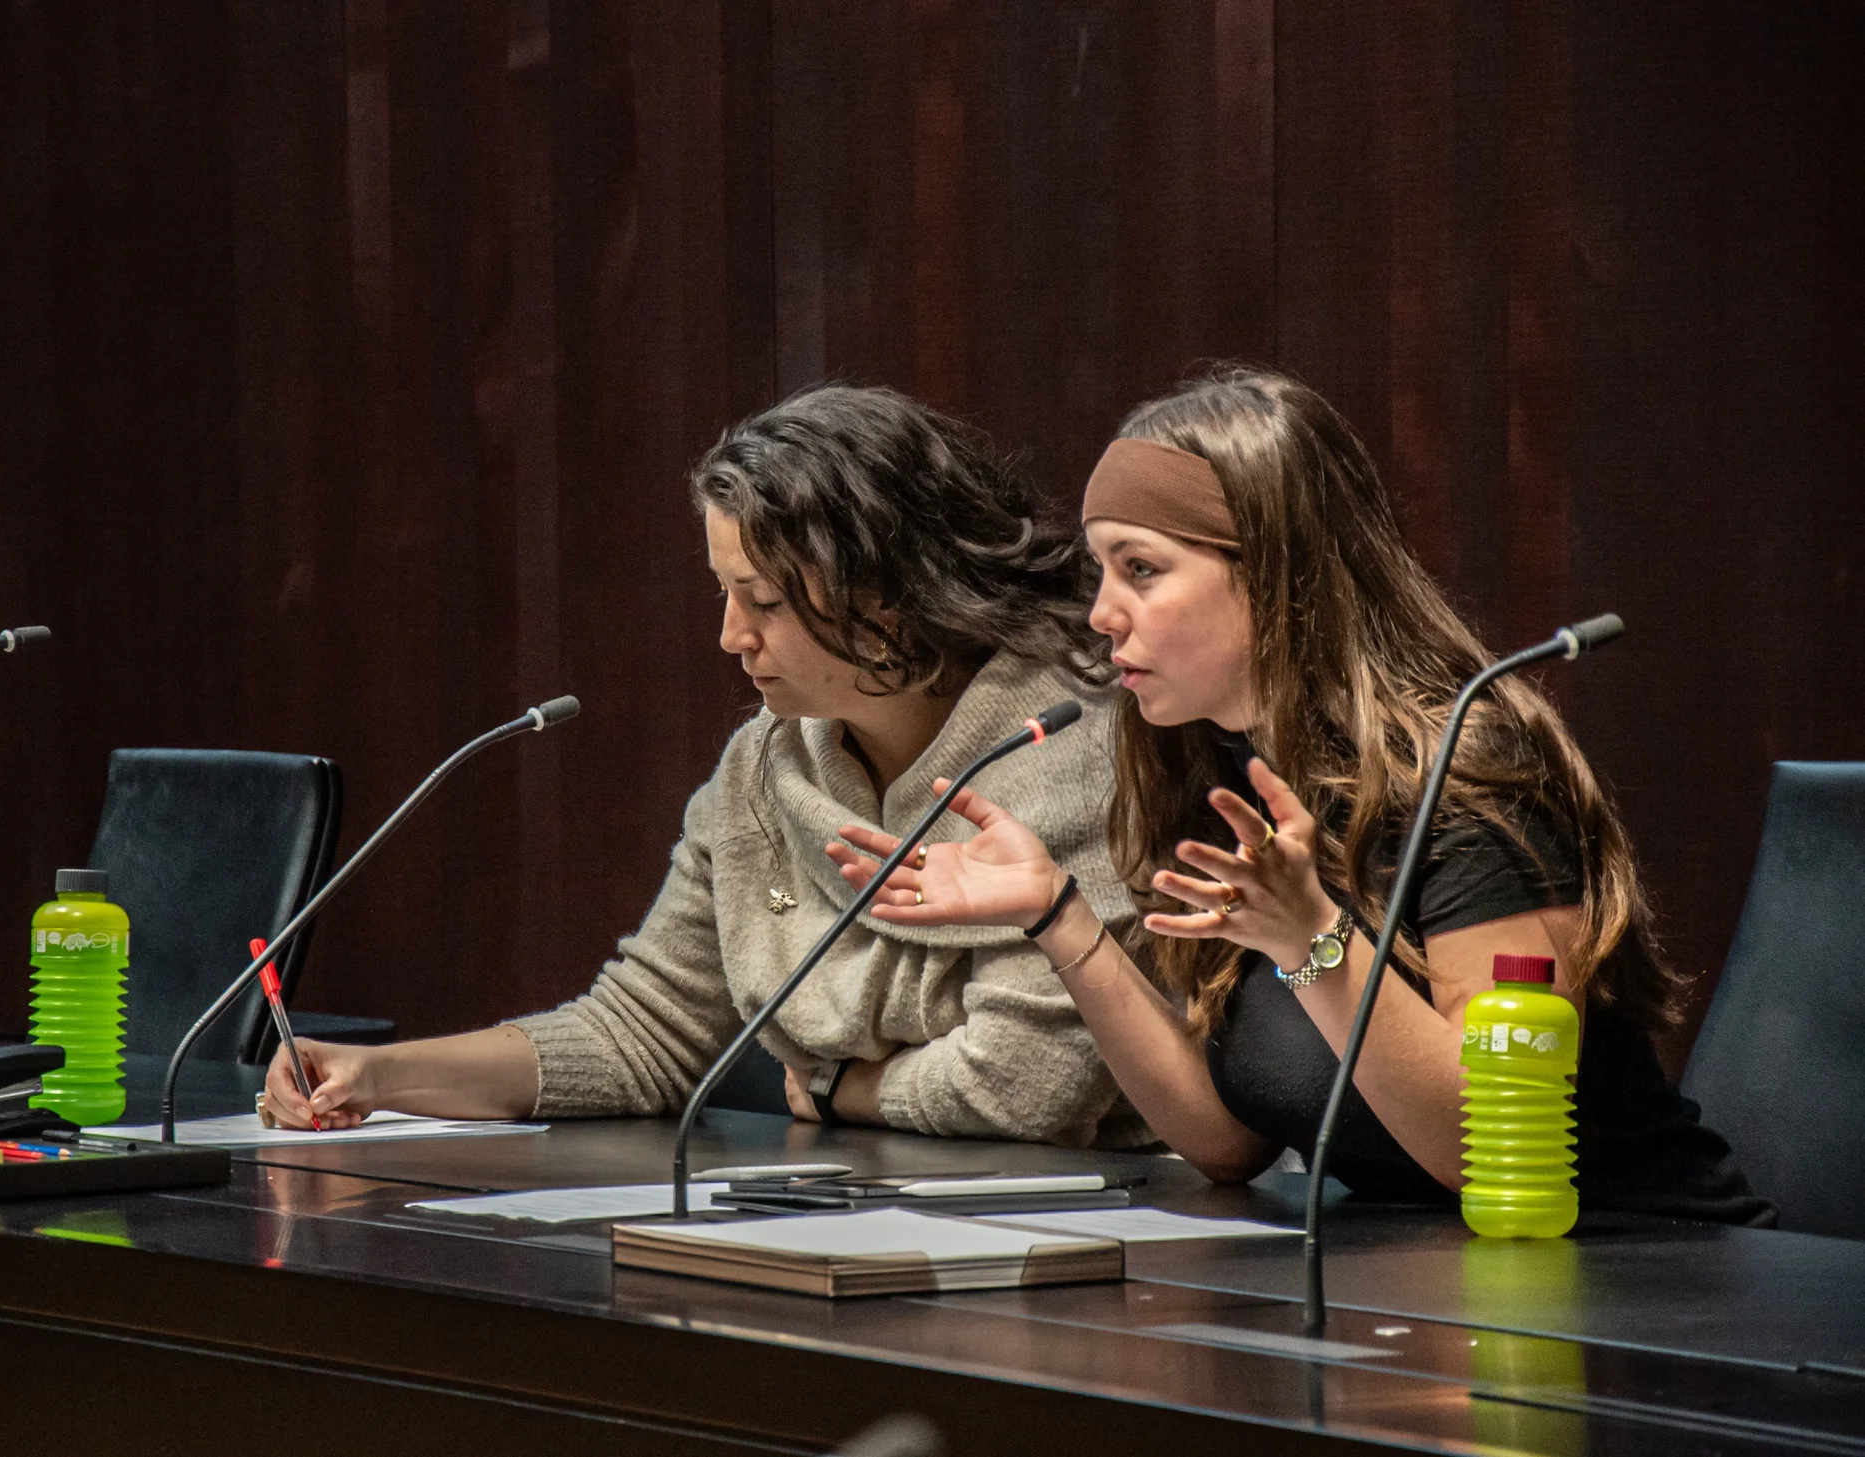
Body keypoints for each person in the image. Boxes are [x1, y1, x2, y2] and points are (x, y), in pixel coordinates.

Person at [831, 366, 1772, 1221]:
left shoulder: (1467, 770)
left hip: (1637, 1274)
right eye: (1103, 569)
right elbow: (1223, 1138)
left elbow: (1489, 1147)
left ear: (1274, 577)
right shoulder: (1214, 767)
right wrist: (1057, 917)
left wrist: (1310, 939)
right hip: (1427, 1287)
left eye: (1142, 569)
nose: (1102, 611)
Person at [264, 384, 1144, 1146]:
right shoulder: (766, 765)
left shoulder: (1067, 747)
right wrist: (377, 1078)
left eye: (762, 600)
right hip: (864, 1207)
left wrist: (842, 1091)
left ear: (892, 597)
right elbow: (642, 1032)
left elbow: (1026, 1086)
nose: (730, 636)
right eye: (724, 593)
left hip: (1106, 1236)